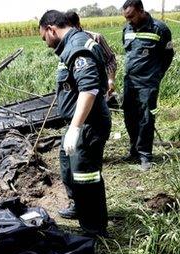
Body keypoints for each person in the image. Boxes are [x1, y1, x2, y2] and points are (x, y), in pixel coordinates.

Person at [39, 10, 111, 236]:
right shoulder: (70, 46)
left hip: (88, 125)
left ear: (51, 29)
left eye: (44, 37)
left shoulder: (78, 47)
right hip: (78, 123)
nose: (46, 43)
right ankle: (79, 206)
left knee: (85, 176)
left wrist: (76, 128)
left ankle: (94, 228)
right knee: (67, 166)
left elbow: (89, 89)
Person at [121, 0, 174, 170]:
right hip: (129, 82)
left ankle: (145, 156)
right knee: (129, 117)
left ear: (141, 11)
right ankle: (134, 150)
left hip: (148, 83)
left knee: (145, 118)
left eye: (131, 16)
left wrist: (157, 75)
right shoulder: (127, 29)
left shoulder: (160, 29)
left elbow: (168, 55)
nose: (129, 20)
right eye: (126, 17)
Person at [65, 11, 117, 97]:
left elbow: (110, 60)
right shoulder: (67, 43)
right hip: (78, 88)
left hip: (99, 86)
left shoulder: (96, 38)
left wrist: (110, 81)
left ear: (78, 25)